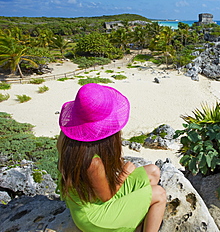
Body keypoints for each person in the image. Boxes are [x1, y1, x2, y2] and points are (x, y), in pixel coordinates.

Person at [57, 83, 166, 232]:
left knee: (152, 172)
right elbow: (106, 197)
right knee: (159, 194)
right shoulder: (92, 163)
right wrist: (124, 174)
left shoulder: (67, 137)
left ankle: (135, 218)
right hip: (94, 216)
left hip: (94, 197)